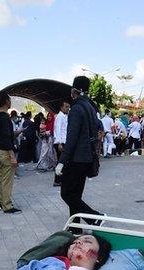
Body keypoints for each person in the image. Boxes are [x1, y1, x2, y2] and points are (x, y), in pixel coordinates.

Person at [55, 75, 103, 224]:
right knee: (76, 195)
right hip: (88, 158)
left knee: (67, 194)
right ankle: (75, 228)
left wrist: (62, 161)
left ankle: (95, 218)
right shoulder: (90, 107)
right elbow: (97, 130)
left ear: (74, 91)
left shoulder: (76, 109)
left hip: (76, 159)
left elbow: (72, 139)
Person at [0, 93, 20, 213]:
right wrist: (12, 155)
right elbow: (6, 137)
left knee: (2, 179)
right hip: (6, 152)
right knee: (7, 180)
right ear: (6, 102)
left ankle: (1, 202)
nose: (11, 102)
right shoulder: (4, 118)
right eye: (10, 100)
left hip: (0, 150)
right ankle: (7, 205)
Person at [53, 100, 69, 186]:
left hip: (63, 141)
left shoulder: (64, 116)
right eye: (66, 107)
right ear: (61, 107)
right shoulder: (60, 116)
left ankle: (60, 179)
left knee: (62, 162)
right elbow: (57, 130)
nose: (67, 108)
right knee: (61, 162)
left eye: (68, 107)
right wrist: (59, 143)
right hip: (60, 142)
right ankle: (57, 180)